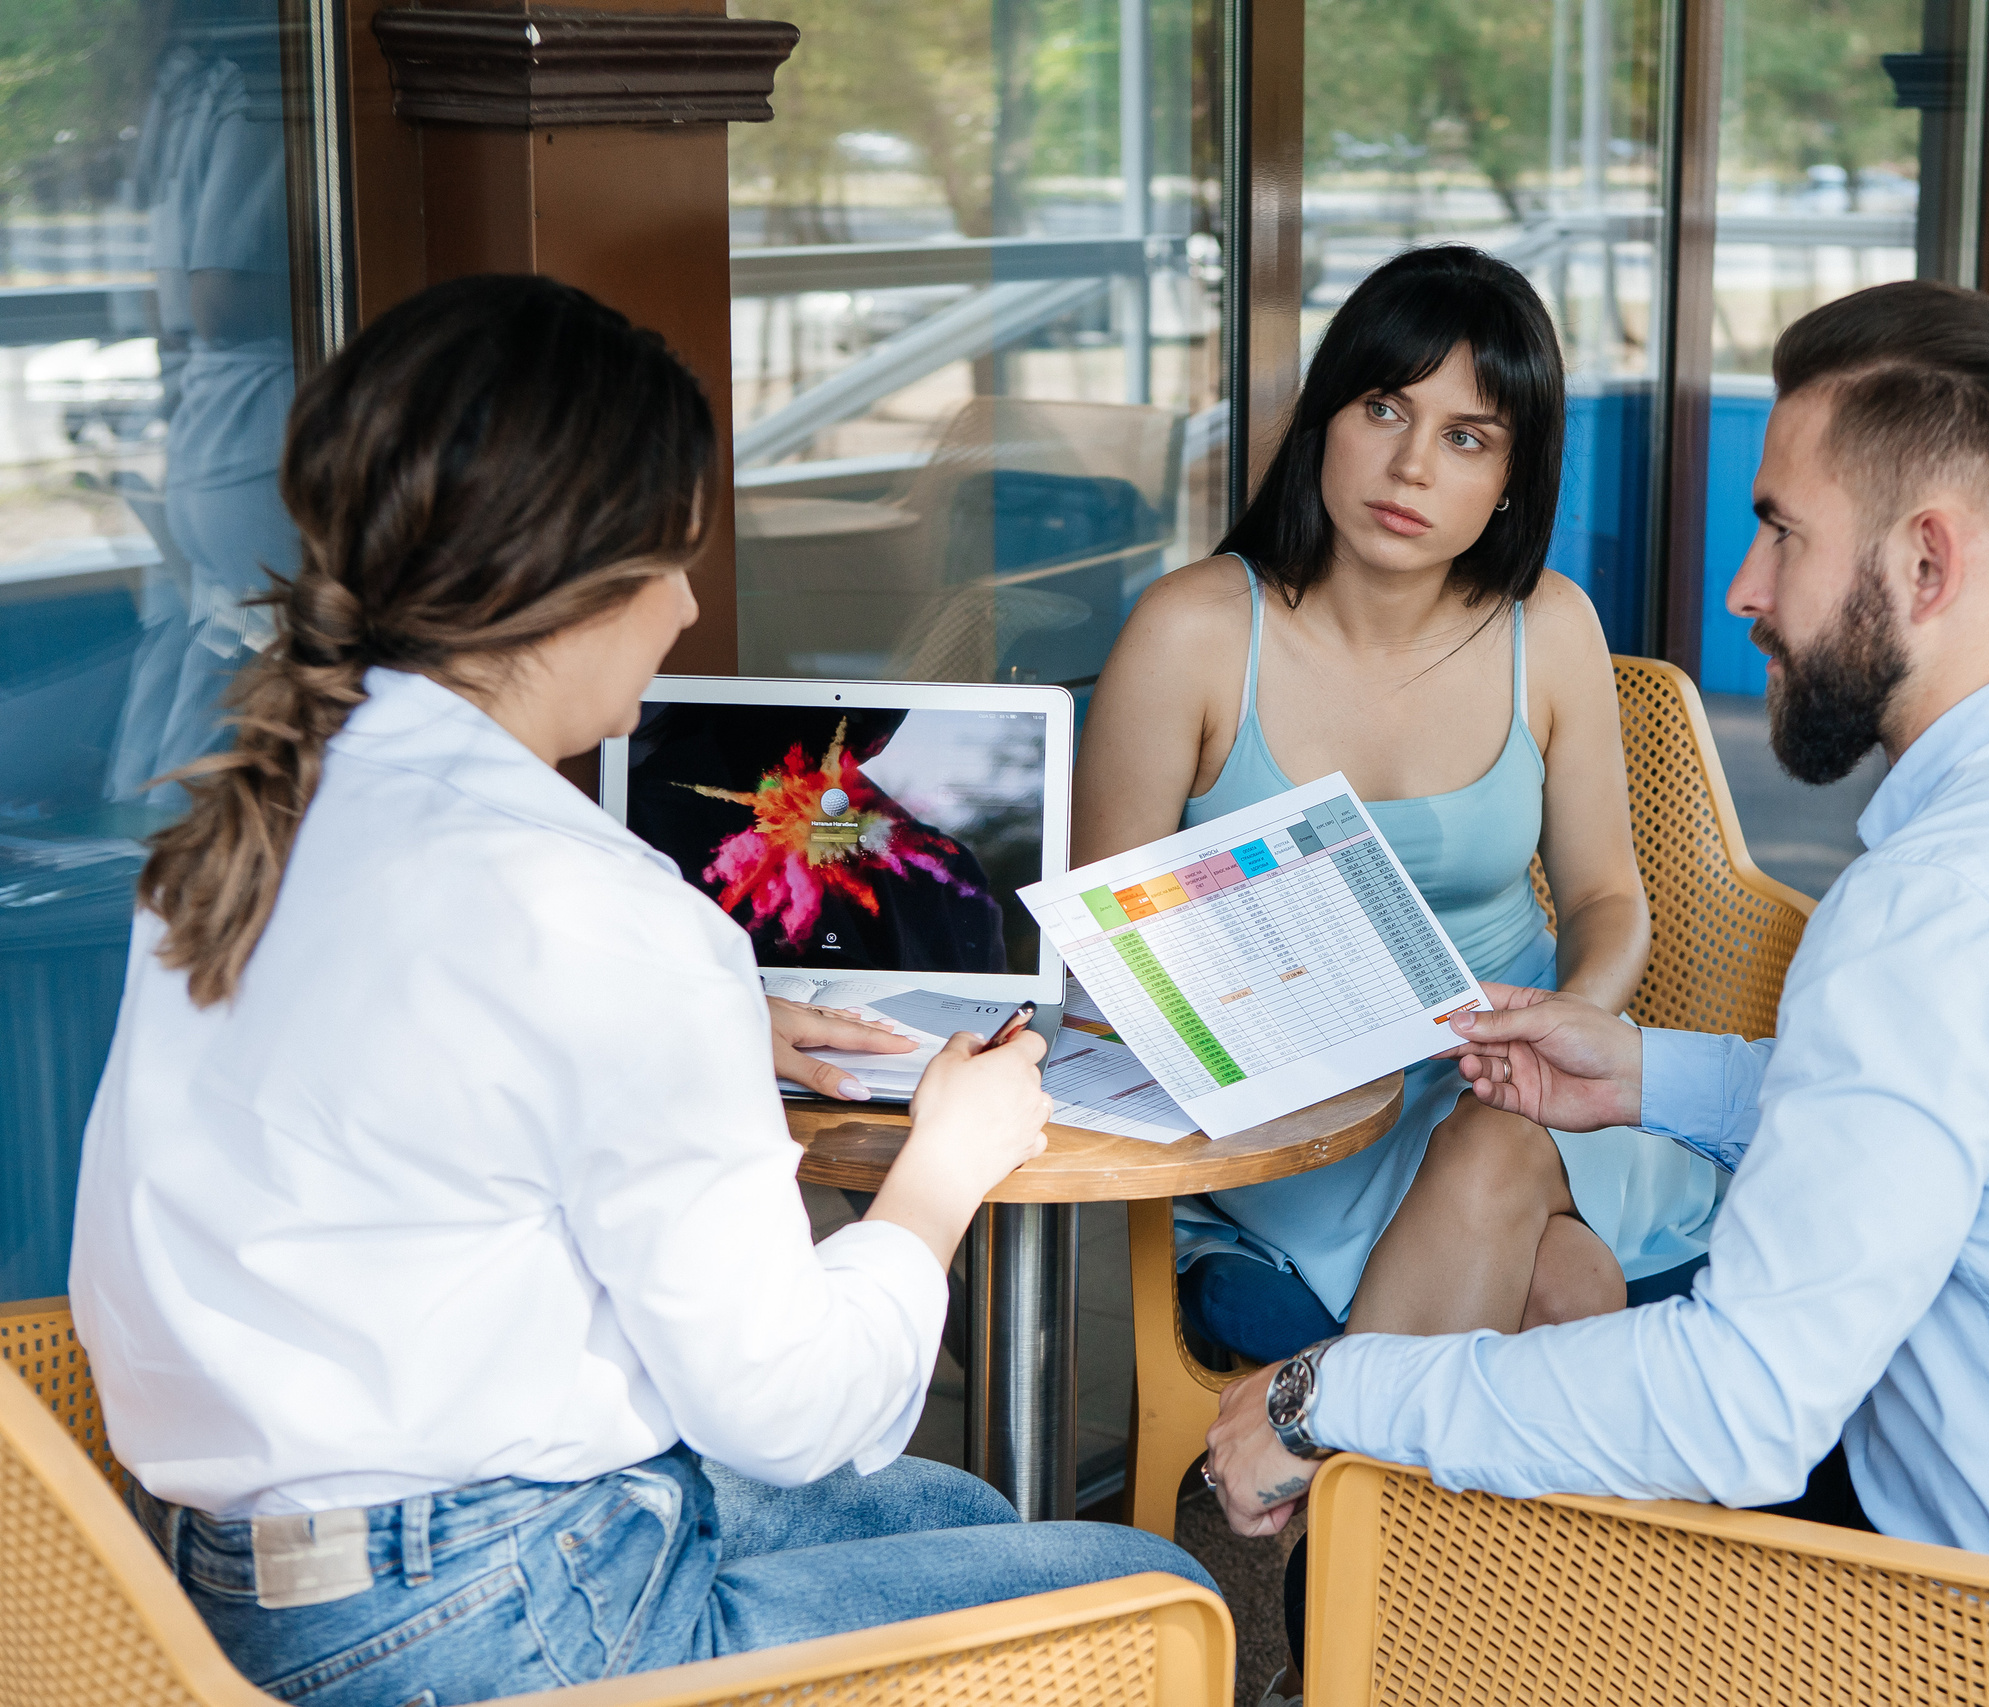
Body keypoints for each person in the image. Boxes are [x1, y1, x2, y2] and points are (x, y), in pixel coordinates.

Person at [68, 273, 1209, 1707]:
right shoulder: (602, 917)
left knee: (962, 1521)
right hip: (485, 1615)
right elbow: (789, 1408)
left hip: (209, 1572)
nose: (682, 608)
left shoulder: (242, 826)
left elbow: (426, 1078)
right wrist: (945, 1166)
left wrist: (723, 1024)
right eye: (668, 562)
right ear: (564, 582)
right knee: (1161, 1594)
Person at [1200, 280, 1989, 1587]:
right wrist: (1644, 1076)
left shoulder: (1941, 901)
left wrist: (1332, 1392)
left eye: (1780, 531)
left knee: (1454, 1524)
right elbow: (1971, 1113)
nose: (1745, 589)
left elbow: (1739, 1408)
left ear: (1927, 562)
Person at [1074, 244, 1725, 1360]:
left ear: (1512, 478)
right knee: (1564, 1287)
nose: (1411, 465)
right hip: (1300, 1107)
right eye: (1384, 408)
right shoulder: (1192, 633)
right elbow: (1102, 941)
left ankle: (1318, 1472)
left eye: (1466, 437)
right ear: (1326, 419)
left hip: (1514, 1071)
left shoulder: (1549, 626)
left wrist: (1567, 1025)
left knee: (1522, 1180)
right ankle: (1340, 1486)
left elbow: (1607, 895)